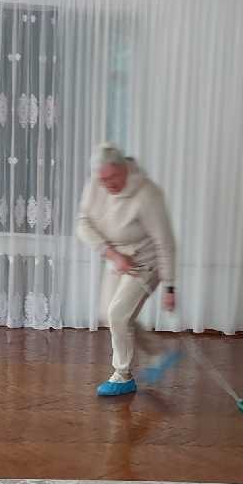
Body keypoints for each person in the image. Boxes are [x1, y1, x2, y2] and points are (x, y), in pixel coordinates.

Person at [77, 142, 179, 396]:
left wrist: (169, 286)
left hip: (146, 262)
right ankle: (159, 354)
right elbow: (83, 225)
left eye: (112, 178)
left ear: (124, 169)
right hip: (118, 258)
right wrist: (113, 255)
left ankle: (122, 375)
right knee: (110, 314)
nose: (107, 185)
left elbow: (165, 242)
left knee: (118, 314)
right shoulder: (96, 185)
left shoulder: (147, 195)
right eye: (102, 180)